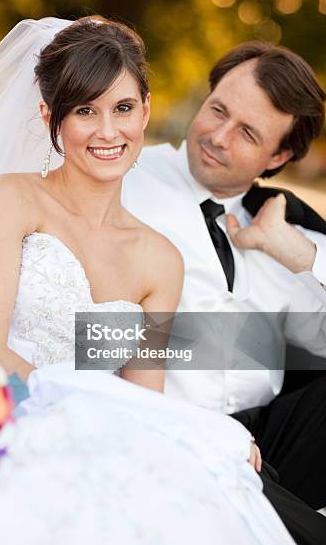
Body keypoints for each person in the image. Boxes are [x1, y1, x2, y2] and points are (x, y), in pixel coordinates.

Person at [0, 18, 294, 545]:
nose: (107, 131)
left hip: (92, 444)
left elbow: (143, 397)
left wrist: (206, 431)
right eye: (83, 111)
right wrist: (92, 414)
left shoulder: (160, 261)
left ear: (145, 109)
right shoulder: (9, 200)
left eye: (122, 108)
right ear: (51, 117)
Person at [123, 40, 326, 544]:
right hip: (170, 434)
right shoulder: (126, 182)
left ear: (278, 155)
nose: (217, 136)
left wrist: (302, 256)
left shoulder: (287, 223)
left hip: (271, 440)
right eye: (217, 110)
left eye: (247, 133)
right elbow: (83, 335)